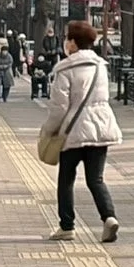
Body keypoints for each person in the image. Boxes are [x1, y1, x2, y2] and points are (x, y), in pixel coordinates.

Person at [43, 20, 122, 243]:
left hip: (74, 131)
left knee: (66, 179)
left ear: (73, 43)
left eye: (67, 39)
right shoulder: (100, 66)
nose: (65, 42)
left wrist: (49, 130)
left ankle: (67, 226)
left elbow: (59, 106)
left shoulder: (65, 69)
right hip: (101, 128)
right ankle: (109, 217)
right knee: (96, 179)